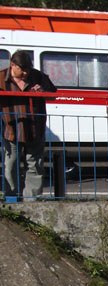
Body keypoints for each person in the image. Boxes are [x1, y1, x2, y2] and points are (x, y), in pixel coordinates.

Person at [0, 50, 56, 200]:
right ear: (13, 65)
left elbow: (53, 93)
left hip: (35, 129)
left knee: (35, 165)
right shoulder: (1, 78)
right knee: (11, 164)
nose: (25, 73)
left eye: (28, 69)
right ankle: (12, 197)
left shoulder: (38, 76)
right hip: (11, 129)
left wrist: (43, 91)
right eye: (22, 69)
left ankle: (31, 199)